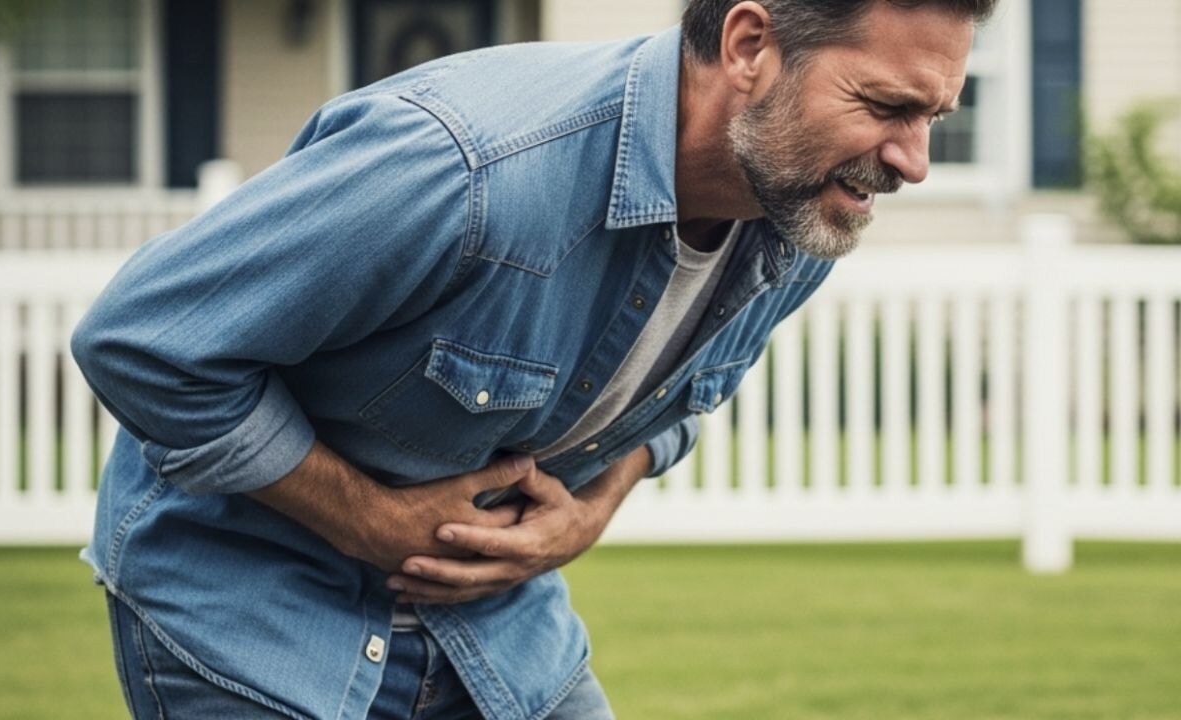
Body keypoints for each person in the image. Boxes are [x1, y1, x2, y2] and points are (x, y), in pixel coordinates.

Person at [71, 1, 991, 717]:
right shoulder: (466, 167)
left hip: (498, 631)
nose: (914, 162)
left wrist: (591, 510)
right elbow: (145, 340)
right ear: (750, 46)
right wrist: (369, 520)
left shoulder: (798, 219)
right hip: (254, 620)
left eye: (934, 117)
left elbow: (678, 398)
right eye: (885, 107)